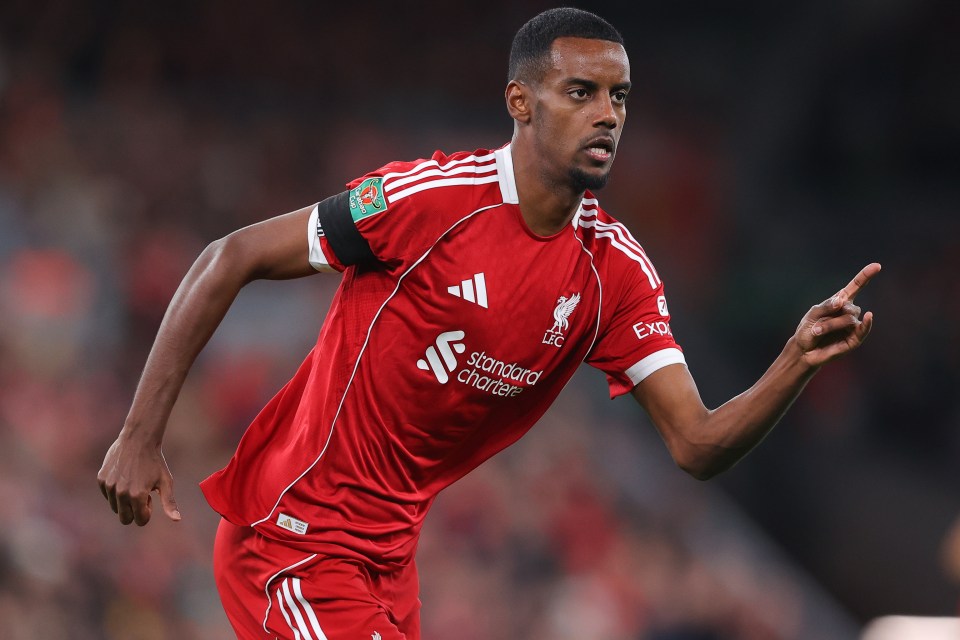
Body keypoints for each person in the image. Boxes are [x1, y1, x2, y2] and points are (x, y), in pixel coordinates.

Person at [98, 7, 879, 639]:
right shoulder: (430, 201)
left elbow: (696, 444)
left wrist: (794, 363)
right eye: (581, 93)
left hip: (386, 567)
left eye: (621, 98)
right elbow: (227, 255)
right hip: (293, 542)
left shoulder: (616, 273)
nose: (608, 115)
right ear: (521, 102)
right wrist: (139, 433)